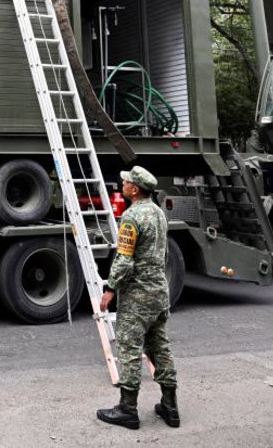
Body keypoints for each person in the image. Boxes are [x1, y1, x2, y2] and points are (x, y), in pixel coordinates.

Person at [96, 166, 178, 430]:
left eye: (126, 182)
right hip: (159, 292)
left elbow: (124, 259)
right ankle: (170, 406)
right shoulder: (158, 214)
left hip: (138, 296)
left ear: (135, 189)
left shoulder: (131, 217)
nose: (123, 185)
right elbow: (162, 254)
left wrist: (110, 288)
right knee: (160, 347)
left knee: (130, 349)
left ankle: (127, 409)